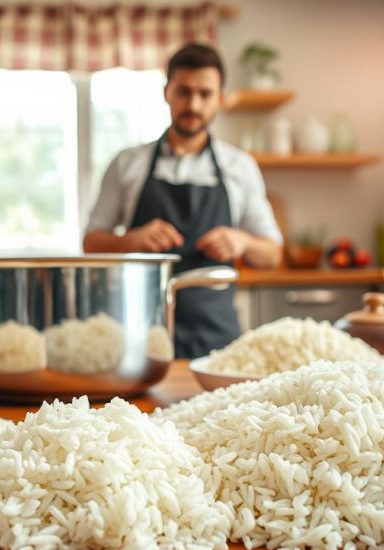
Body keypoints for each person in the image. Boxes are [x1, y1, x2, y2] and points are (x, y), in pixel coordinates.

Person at [83, 42, 283, 358]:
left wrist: (241, 242)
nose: (194, 104)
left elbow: (271, 255)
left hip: (218, 342)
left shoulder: (240, 167)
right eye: (184, 92)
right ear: (167, 93)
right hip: (139, 339)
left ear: (220, 98)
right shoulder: (127, 164)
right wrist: (130, 240)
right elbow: (91, 243)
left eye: (205, 94)